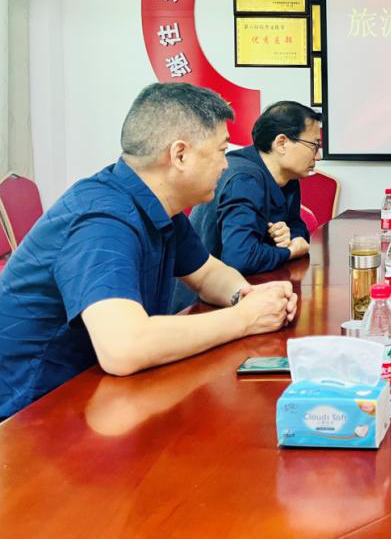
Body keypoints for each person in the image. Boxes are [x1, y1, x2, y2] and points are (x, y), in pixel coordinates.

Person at [0, 83, 299, 419]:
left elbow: (207, 274)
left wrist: (248, 297)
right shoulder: (103, 220)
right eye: (220, 151)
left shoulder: (158, 205)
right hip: (29, 414)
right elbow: (124, 347)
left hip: (95, 396)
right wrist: (244, 318)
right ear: (180, 155)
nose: (225, 165)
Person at [190, 101, 321, 276]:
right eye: (314, 146)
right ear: (281, 143)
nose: (318, 156)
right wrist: (289, 251)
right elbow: (240, 258)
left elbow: (297, 226)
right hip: (208, 290)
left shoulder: (287, 177)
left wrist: (290, 237)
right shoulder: (244, 180)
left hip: (251, 282)